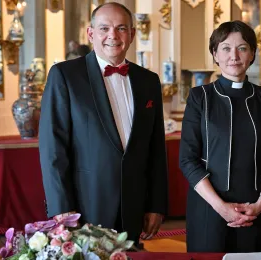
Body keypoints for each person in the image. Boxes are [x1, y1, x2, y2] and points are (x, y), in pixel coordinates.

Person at [39, 3, 168, 245]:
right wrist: (61, 206)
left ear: (131, 34)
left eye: (121, 28)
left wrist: (156, 205)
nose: (113, 35)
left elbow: (156, 151)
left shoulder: (149, 81)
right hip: (84, 206)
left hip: (134, 207)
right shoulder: (64, 76)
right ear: (90, 33)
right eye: (104, 28)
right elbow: (52, 149)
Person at [179, 20, 261, 253]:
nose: (233, 55)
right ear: (215, 54)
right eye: (225, 48)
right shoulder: (200, 97)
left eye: (242, 48)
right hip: (208, 207)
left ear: (252, 54)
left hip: (253, 208)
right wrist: (221, 207)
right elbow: (187, 160)